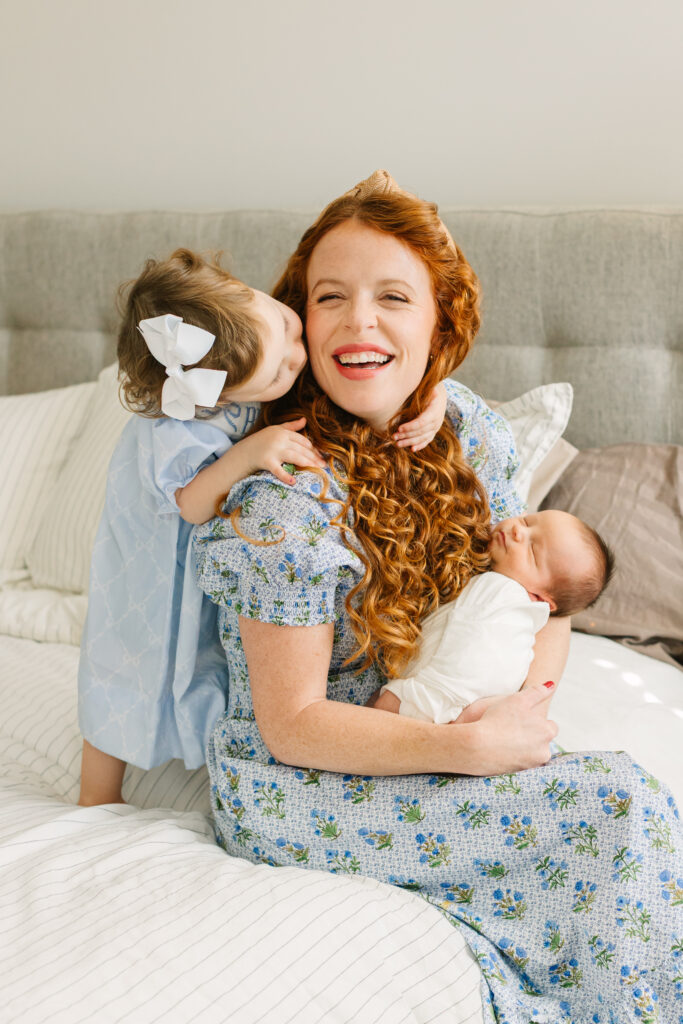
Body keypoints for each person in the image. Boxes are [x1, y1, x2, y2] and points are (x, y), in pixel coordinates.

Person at [194, 171, 682, 1022]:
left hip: (440, 730)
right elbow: (292, 724)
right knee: (615, 807)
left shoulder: (473, 435)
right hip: (304, 780)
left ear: (439, 322)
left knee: (633, 815)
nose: (358, 322)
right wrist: (462, 749)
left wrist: (520, 709)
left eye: (393, 296)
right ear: (298, 322)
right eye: (329, 297)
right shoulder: (282, 497)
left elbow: (547, 609)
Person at [77, 245, 451, 806]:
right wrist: (249, 452)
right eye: (277, 372)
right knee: (129, 660)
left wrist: (435, 394)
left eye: (287, 329)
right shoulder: (179, 419)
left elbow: (385, 372)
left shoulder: (257, 336)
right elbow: (190, 503)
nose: (298, 360)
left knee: (209, 660)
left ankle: (195, 754)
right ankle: (95, 798)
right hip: (152, 559)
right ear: (223, 395)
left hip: (201, 551)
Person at [372, 510, 615, 725]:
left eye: (532, 550)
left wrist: (394, 704)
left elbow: (457, 676)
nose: (518, 530)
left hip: (419, 710)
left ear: (540, 598)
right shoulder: (520, 620)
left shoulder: (501, 594)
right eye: (527, 520)